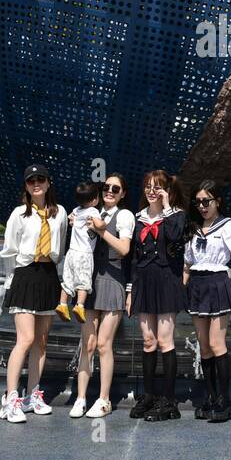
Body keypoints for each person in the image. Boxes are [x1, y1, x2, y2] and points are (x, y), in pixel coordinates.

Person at [185, 181, 231, 422]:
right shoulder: (194, 228)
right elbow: (187, 263)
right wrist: (180, 288)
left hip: (218, 283)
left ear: (217, 201)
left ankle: (224, 400)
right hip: (197, 285)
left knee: (217, 344)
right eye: (197, 202)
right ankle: (209, 396)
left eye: (206, 201)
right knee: (204, 346)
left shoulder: (229, 226)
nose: (202, 206)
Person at [0, 164, 68, 423]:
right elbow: (9, 250)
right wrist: (11, 282)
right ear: (26, 186)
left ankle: (33, 394)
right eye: (30, 181)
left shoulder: (60, 213)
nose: (36, 184)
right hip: (25, 274)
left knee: (41, 340)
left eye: (40, 180)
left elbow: (61, 244)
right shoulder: (19, 214)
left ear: (49, 183)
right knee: (25, 339)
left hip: (49, 275)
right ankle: (11, 397)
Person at [71, 172, 135, 419]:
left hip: (112, 280)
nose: (109, 191)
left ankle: (104, 399)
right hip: (89, 281)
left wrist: (101, 231)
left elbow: (124, 249)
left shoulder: (124, 215)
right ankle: (80, 398)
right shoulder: (89, 211)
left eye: (115, 188)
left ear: (123, 194)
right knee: (87, 344)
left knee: (103, 344)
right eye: (106, 187)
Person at [127, 169, 187, 421]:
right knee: (148, 341)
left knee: (165, 340)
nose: (151, 191)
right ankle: (149, 395)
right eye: (148, 187)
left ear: (167, 190)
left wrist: (166, 206)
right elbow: (133, 257)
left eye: (157, 187)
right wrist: (130, 290)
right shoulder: (138, 218)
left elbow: (174, 237)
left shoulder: (177, 216)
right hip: (143, 282)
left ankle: (169, 401)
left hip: (166, 282)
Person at [57, 181, 100, 323]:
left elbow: (70, 218)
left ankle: (62, 304)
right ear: (94, 200)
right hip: (84, 253)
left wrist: (72, 221)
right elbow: (99, 225)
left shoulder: (76, 210)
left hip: (71, 252)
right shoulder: (93, 211)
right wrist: (102, 224)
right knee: (83, 281)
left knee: (68, 280)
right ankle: (79, 306)